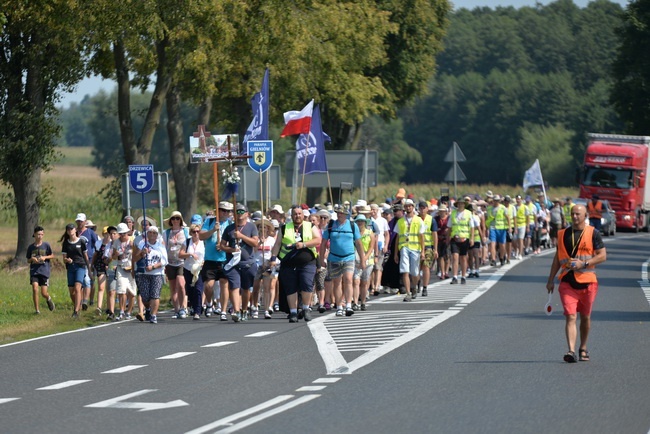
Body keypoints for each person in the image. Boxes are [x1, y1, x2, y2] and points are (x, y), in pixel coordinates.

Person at [546, 204, 606, 363]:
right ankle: (571, 350)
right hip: (567, 281)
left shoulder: (593, 233)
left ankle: (583, 347)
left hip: (588, 282)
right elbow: (557, 259)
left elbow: (602, 256)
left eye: (578, 214)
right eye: (572, 214)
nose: (574, 217)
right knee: (570, 316)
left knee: (585, 317)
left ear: (585, 215)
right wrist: (550, 279)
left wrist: (583, 264)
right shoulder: (562, 234)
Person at [273, 205, 321, 322]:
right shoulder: (284, 228)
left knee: (306, 283)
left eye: (299, 214)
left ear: (303, 215)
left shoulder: (310, 226)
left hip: (307, 262)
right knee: (291, 288)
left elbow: (318, 240)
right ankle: (293, 312)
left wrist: (304, 244)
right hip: (289, 263)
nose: (297, 216)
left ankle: (306, 309)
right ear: (292, 215)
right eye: (295, 214)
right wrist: (273, 259)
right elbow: (278, 244)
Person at [319, 204, 363, 316]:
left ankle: (348, 305)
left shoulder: (352, 225)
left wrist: (362, 259)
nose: (339, 215)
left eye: (342, 213)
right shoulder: (331, 225)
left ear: (346, 215)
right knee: (337, 282)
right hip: (333, 257)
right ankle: (339, 306)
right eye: (338, 213)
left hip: (349, 256)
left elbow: (358, 243)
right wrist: (321, 258)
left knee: (348, 279)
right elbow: (323, 243)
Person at [221, 204, 259, 322]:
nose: (240, 213)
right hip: (233, 263)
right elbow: (222, 245)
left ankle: (244, 310)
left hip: (248, 263)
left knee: (246, 288)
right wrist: (231, 249)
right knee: (234, 286)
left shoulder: (252, 227)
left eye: (242, 211)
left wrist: (241, 236)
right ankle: (236, 311)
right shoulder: (229, 228)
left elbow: (255, 243)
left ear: (247, 213)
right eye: (237, 211)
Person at [199, 202, 232, 320]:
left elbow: (235, 241)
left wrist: (224, 246)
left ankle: (223, 311)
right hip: (210, 259)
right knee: (208, 286)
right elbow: (201, 236)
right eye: (223, 210)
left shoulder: (231, 224)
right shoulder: (209, 221)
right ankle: (209, 303)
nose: (226, 213)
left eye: (228, 211)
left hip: (225, 259)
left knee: (224, 284)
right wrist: (213, 230)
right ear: (218, 211)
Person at [133, 226, 168, 324]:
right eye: (150, 232)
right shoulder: (142, 244)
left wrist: (153, 267)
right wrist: (142, 253)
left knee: (155, 295)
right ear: (147, 234)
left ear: (157, 235)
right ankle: (147, 309)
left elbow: (165, 261)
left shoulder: (160, 247)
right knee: (145, 297)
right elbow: (135, 259)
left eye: (154, 233)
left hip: (156, 273)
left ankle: (153, 315)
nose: (152, 234)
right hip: (143, 273)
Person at [393, 198, 425, 301]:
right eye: (406, 206)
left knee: (414, 273)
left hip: (415, 248)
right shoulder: (401, 221)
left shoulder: (418, 220)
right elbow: (397, 237)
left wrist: (423, 251)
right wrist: (395, 253)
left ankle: (414, 286)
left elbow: (421, 237)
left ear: (413, 207)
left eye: (410, 206)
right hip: (404, 247)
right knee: (405, 271)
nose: (408, 207)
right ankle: (408, 293)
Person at [60, 223, 90, 318]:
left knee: (78, 288)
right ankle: (78, 305)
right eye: (68, 230)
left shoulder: (81, 242)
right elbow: (64, 258)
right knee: (72, 291)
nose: (70, 231)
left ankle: (76, 311)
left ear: (75, 230)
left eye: (72, 229)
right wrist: (67, 260)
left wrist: (89, 268)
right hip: (70, 267)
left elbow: (85, 256)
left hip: (80, 266)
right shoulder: (66, 243)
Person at [164, 211, 189, 319]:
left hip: (182, 262)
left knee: (181, 285)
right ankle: (176, 309)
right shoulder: (166, 233)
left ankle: (183, 307)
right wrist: (164, 264)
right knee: (173, 287)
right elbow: (164, 248)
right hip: (170, 262)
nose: (175, 220)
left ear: (181, 220)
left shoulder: (185, 231)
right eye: (173, 218)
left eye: (177, 218)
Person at [26, 226, 55, 314]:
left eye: (41, 234)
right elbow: (28, 260)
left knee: (44, 293)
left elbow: (52, 256)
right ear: (34, 234)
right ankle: (37, 310)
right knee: (35, 289)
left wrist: (44, 257)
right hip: (34, 271)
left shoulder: (46, 245)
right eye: (38, 234)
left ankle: (48, 299)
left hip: (44, 271)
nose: (39, 236)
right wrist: (32, 259)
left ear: (43, 235)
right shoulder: (31, 247)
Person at [111, 222, 137, 320]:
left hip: (131, 268)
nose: (122, 236)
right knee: (121, 290)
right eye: (121, 234)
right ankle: (121, 311)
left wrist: (133, 247)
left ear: (127, 232)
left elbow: (137, 254)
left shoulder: (132, 240)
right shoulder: (116, 242)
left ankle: (129, 311)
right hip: (121, 267)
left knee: (131, 292)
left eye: (124, 234)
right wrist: (116, 254)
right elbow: (113, 257)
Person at [447, 199, 475, 284]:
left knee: (463, 258)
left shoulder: (468, 213)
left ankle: (463, 276)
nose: (460, 205)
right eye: (459, 204)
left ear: (464, 205)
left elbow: (472, 227)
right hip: (455, 238)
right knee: (455, 257)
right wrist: (448, 237)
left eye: (462, 204)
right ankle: (455, 277)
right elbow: (449, 227)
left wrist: (472, 238)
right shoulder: (453, 213)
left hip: (464, 238)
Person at [352, 214, 375, 310]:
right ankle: (355, 302)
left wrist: (364, 258)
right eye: (358, 221)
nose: (360, 223)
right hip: (355, 259)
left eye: (362, 221)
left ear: (365, 223)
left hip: (368, 260)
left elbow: (371, 247)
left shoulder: (370, 232)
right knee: (356, 281)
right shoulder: (353, 233)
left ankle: (363, 302)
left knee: (364, 282)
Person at [418, 200, 438, 295]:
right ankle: (417, 283)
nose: (422, 210)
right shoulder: (416, 219)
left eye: (424, 208)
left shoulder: (431, 219)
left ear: (427, 209)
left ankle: (425, 287)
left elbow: (434, 235)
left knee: (426, 266)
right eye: (420, 208)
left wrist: (435, 249)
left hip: (428, 246)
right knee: (417, 267)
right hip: (416, 246)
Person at [435, 204, 450, 280]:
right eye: (440, 211)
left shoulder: (448, 219)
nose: (441, 213)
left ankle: (446, 271)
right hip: (439, 239)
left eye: (443, 211)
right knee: (440, 256)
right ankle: (443, 272)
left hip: (447, 239)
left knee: (447, 256)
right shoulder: (436, 219)